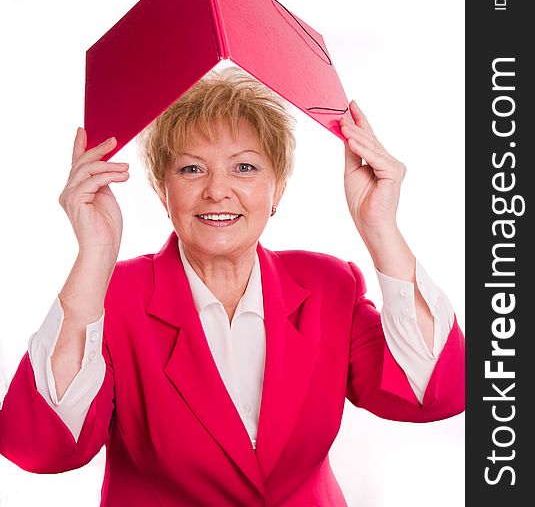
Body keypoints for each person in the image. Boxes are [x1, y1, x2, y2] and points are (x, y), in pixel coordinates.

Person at [0, 67, 464, 506]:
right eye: (191, 169)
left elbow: (436, 390)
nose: (217, 190)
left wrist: (380, 227)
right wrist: (94, 255)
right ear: (163, 192)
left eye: (244, 168)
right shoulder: (113, 295)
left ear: (276, 188)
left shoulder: (326, 286)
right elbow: (41, 448)